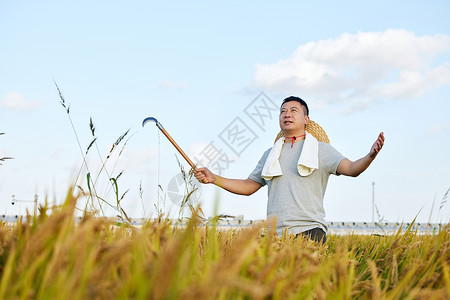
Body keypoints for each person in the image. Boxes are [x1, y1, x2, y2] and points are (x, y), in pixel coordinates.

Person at [194, 96, 384, 243]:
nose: (287, 114)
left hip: (310, 232)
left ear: (306, 119)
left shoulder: (321, 150)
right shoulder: (271, 154)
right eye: (283, 111)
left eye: (294, 110)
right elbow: (248, 186)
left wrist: (370, 155)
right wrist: (214, 178)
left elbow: (351, 168)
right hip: (274, 236)